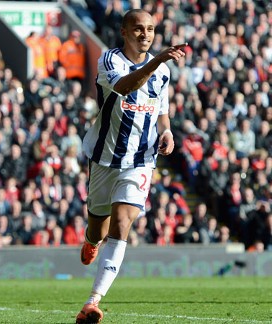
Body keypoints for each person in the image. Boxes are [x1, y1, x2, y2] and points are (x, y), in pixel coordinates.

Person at [76, 9, 187, 323]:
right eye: (138, 29)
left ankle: (92, 302)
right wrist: (157, 61)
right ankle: (91, 241)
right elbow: (125, 86)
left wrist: (166, 131)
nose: (145, 35)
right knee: (98, 226)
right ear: (124, 31)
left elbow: (161, 108)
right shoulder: (110, 61)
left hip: (141, 159)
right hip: (105, 157)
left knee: (122, 223)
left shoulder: (162, 71)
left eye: (150, 29)